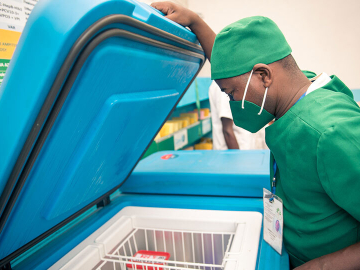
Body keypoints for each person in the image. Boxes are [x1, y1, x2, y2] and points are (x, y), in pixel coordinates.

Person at [151, 2, 360, 269]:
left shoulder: (330, 131)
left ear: (264, 76)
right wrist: (195, 22)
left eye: (231, 95)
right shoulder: (294, 94)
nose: (232, 103)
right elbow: (235, 69)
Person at [209, 81, 267, 150]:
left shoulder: (230, 83)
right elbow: (227, 131)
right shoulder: (222, 85)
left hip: (244, 151)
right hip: (234, 154)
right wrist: (237, 156)